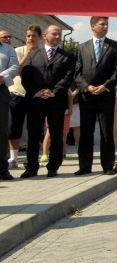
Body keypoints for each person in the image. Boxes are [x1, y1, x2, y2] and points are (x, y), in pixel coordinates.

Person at [19, 25, 75, 178]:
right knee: (33, 135)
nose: (58, 37)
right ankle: (31, 167)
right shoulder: (33, 54)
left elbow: (68, 77)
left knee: (56, 135)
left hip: (56, 101)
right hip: (36, 101)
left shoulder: (67, 56)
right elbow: (26, 76)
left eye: (60, 34)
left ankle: (53, 167)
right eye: (54, 34)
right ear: (45, 36)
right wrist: (36, 91)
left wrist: (53, 92)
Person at [73, 16, 117, 175]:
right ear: (93, 26)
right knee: (86, 132)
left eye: (107, 24)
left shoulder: (114, 46)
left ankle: (108, 166)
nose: (106, 26)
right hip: (87, 96)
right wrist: (87, 86)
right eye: (102, 24)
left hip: (105, 95)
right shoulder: (82, 47)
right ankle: (84, 166)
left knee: (106, 131)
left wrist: (105, 86)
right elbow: (77, 72)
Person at [8, 25, 41, 170]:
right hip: (18, 93)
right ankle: (14, 158)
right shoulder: (18, 51)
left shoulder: (43, 53)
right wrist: (27, 54)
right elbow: (16, 71)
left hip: (35, 95)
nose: (30, 38)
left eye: (33, 36)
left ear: (40, 37)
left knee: (34, 128)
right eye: (28, 36)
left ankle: (32, 158)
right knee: (15, 126)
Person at [0, 30, 19, 181]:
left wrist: (2, 77)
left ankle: (2, 169)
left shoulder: (8, 49)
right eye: (5, 36)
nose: (8, 38)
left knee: (2, 131)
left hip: (1, 90)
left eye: (9, 36)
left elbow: (14, 67)